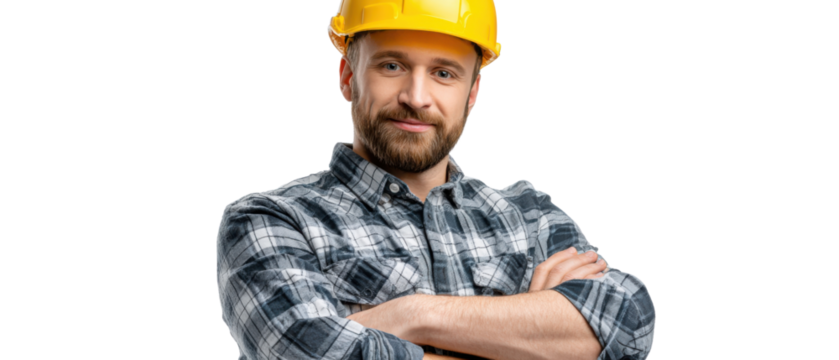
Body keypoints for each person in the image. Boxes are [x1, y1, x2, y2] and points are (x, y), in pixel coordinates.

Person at [214, 1, 656, 359]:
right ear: (347, 77)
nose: (416, 98)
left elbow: (631, 322)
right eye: (391, 66)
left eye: (444, 73)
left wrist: (414, 315)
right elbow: (306, 353)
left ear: (472, 94)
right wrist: (527, 335)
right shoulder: (269, 221)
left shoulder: (530, 214)